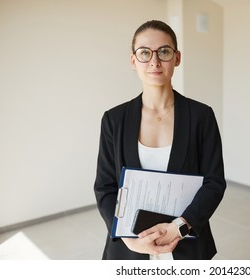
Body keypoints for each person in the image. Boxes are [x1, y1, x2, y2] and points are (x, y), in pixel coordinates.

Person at [94, 20, 226, 260]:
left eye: (164, 51)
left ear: (177, 58)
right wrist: (128, 240)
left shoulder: (201, 116)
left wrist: (179, 227)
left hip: (186, 245)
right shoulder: (114, 119)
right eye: (144, 53)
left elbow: (214, 183)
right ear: (133, 61)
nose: (154, 61)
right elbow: (105, 188)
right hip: (130, 249)